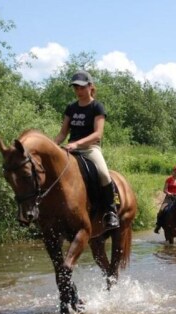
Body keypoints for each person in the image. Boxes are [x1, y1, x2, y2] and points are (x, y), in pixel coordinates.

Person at [54, 70, 119, 230]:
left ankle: (111, 211)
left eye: (81, 87)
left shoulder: (97, 106)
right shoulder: (71, 108)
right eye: (75, 88)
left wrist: (77, 144)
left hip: (90, 149)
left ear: (90, 87)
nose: (78, 91)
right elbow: (63, 133)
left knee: (103, 173)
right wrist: (52, 146)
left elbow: (98, 133)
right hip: (70, 149)